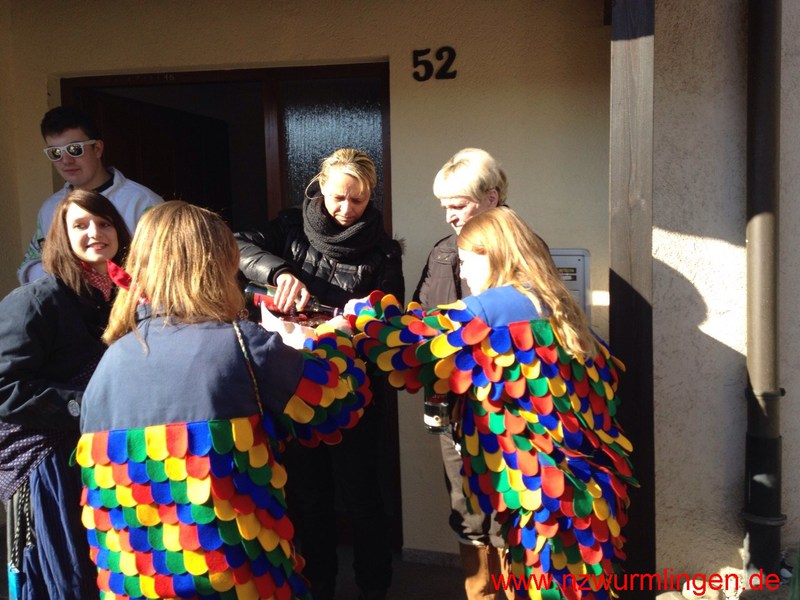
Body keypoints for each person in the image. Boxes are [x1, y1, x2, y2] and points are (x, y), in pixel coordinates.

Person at [75, 201, 373, 600]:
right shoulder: (240, 345)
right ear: (220, 266)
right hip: (235, 583)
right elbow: (335, 404)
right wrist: (335, 338)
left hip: (134, 585)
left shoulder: (108, 363)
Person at [348, 207, 636, 599]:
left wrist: (360, 316)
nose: (464, 275)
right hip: (584, 493)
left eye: (467, 262)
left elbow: (403, 344)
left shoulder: (489, 309)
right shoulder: (558, 305)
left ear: (495, 255)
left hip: (543, 500)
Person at [235, 148, 403, 600]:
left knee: (363, 495)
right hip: (295, 383)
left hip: (354, 390)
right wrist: (278, 272)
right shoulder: (289, 228)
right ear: (319, 188)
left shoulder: (384, 251)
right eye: (337, 198)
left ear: (370, 196)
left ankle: (374, 586)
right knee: (308, 495)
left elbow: (391, 327)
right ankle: (318, 582)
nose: (346, 209)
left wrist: (359, 323)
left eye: (357, 200)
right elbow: (232, 244)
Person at [0, 189, 132, 600]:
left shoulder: (123, 300)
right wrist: (84, 405)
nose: (95, 232)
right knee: (65, 578)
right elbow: (5, 387)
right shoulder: (37, 300)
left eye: (104, 223)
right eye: (80, 225)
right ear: (61, 236)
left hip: (102, 453)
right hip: (48, 459)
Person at [413, 148, 510, 599]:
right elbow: (420, 317)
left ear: (491, 198)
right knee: (466, 506)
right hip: (451, 403)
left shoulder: (521, 249)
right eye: (444, 206)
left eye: (458, 205)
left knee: (511, 506)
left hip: (507, 408)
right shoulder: (441, 252)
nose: (450, 216)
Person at [18, 105, 162, 284]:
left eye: (75, 149)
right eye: (55, 153)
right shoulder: (50, 208)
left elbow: (166, 267)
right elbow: (31, 264)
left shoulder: (143, 203)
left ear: (97, 148)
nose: (66, 160)